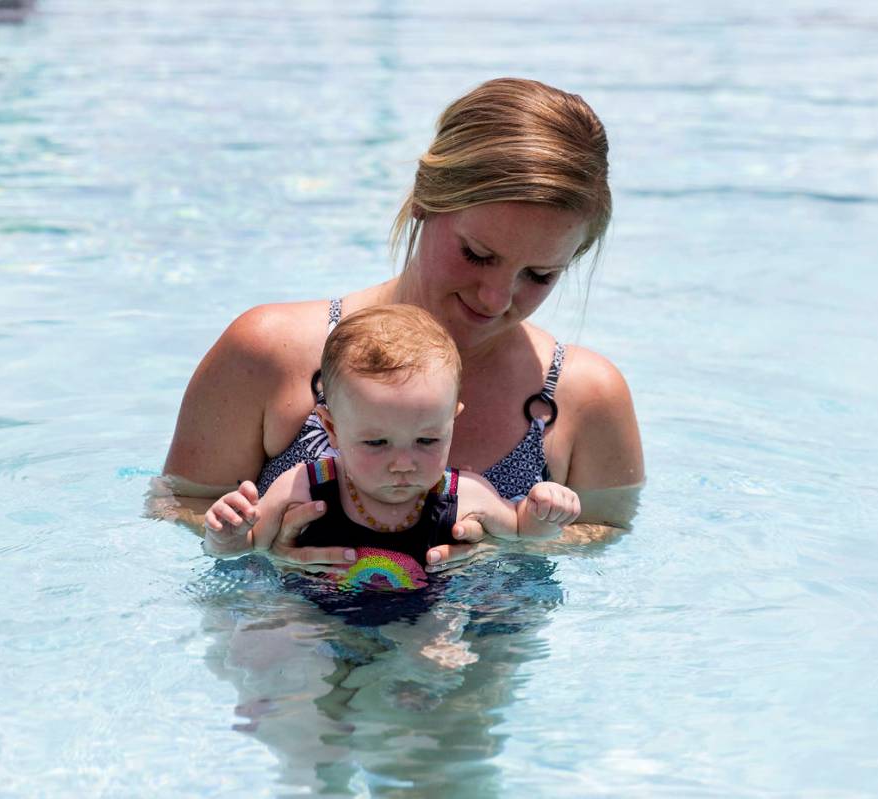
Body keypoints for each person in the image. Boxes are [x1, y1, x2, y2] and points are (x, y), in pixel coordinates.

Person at [161, 76, 644, 570]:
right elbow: (173, 507)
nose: (496, 298)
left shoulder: (584, 397)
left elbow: (610, 535)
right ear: (423, 200)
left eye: (539, 275)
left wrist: (513, 541)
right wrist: (261, 546)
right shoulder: (269, 352)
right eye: (476, 255)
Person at [202, 305, 581, 590]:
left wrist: (544, 510)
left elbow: (520, 531)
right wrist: (228, 533)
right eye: (377, 442)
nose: (403, 463)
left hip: (426, 616)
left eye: (427, 441)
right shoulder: (302, 487)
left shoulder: (466, 495)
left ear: (452, 422)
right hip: (315, 615)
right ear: (331, 428)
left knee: (438, 649)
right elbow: (248, 547)